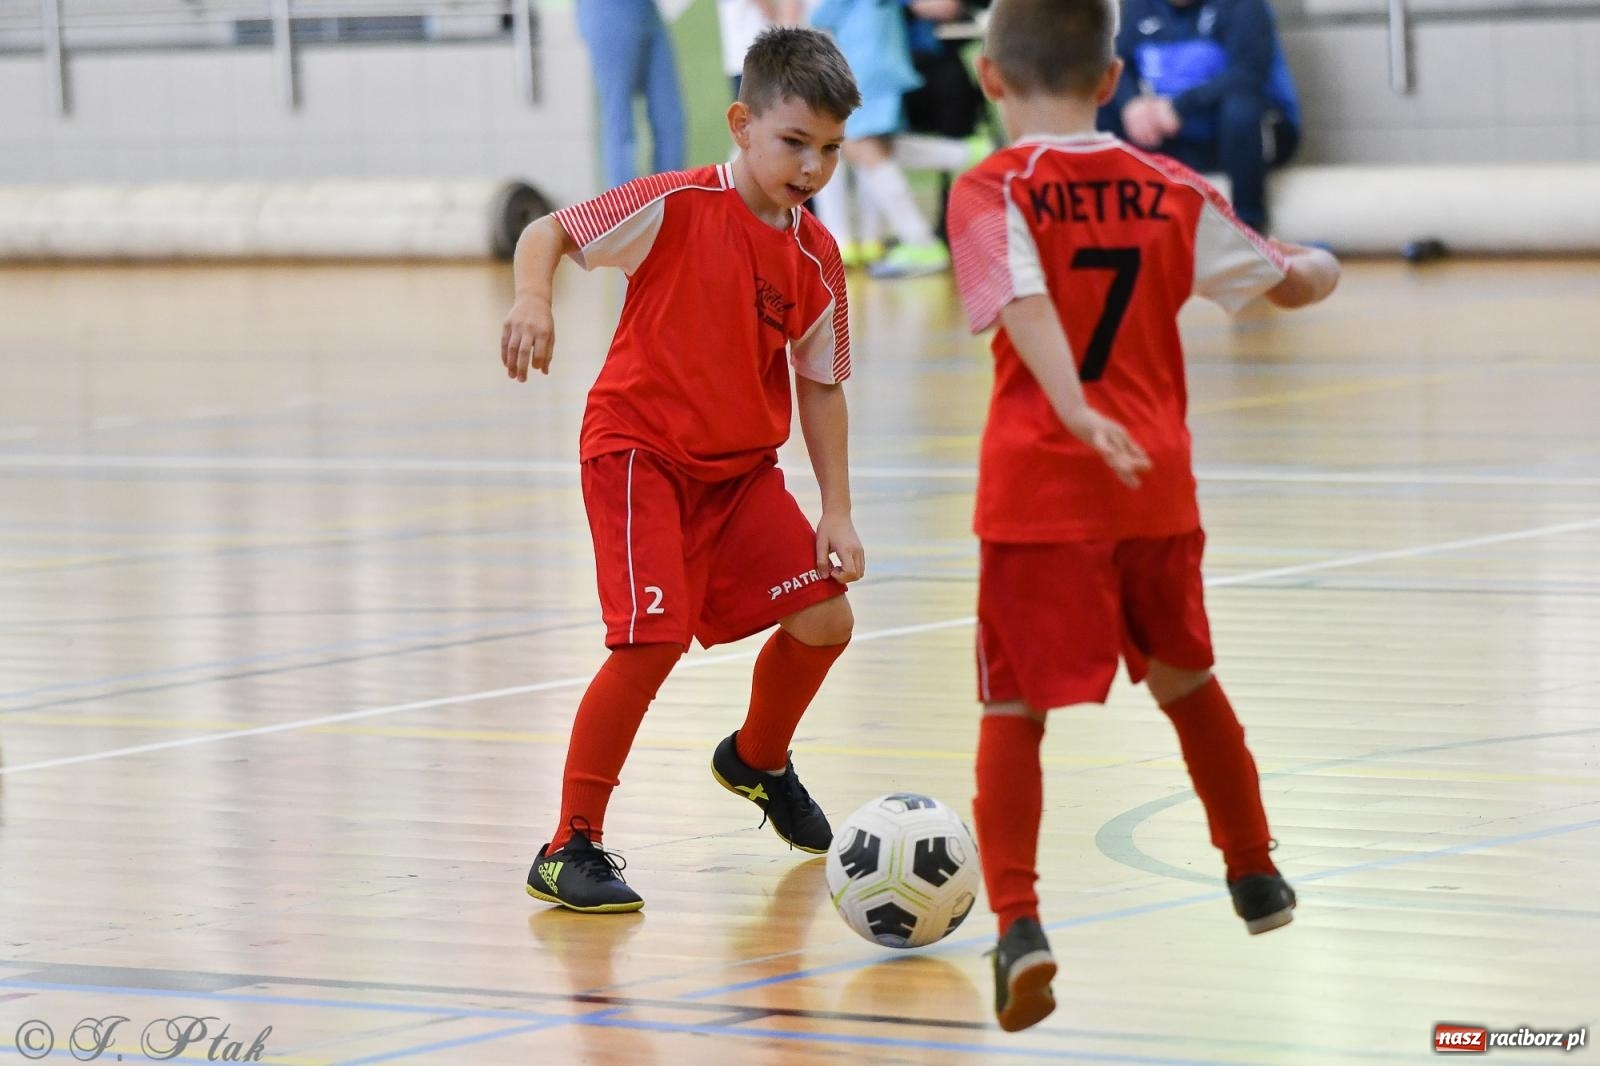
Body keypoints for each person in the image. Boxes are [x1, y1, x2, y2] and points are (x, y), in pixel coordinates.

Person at [945, 0, 1339, 1031]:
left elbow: (1017, 299)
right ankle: (1254, 874)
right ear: (1113, 77)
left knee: (1011, 710)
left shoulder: (992, 185)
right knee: (1187, 679)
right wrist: (1319, 266)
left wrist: (1071, 408)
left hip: (1039, 487)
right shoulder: (1169, 184)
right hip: (1152, 485)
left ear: (990, 80)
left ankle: (1020, 923)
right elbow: (1284, 283)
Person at [500, 27, 866, 914]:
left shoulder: (818, 259)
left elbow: (820, 390)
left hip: (740, 474)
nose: (812, 167)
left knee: (825, 619)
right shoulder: (676, 201)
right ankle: (569, 844)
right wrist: (532, 300)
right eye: (794, 143)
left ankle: (756, 758)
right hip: (640, 454)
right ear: (742, 123)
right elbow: (546, 231)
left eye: (829, 150)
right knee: (649, 642)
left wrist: (837, 512)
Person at [1097, 0, 1301, 232]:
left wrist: (1178, 107)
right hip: (1171, 138)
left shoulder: (1245, 6)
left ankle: (1250, 224)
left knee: (1240, 108)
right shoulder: (1137, 7)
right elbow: (1117, 63)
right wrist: (1131, 104)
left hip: (1238, 137)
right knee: (1102, 104)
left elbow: (1249, 73)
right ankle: (1106, 224)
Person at [811, 0, 951, 278]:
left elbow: (941, 6)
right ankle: (972, 152)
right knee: (876, 148)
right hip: (867, 62)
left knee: (860, 147)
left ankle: (920, 241)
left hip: (868, 67)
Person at [577, 0, 687, 190]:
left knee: (670, 119)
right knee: (620, 123)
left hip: (646, 9)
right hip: (607, 10)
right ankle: (624, 210)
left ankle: (671, 200)